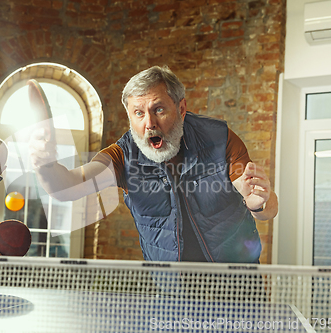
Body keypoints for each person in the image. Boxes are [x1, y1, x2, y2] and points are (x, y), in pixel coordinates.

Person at [30, 66, 278, 263]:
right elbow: (69, 186)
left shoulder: (218, 139)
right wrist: (46, 165)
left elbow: (267, 206)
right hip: (174, 295)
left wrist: (258, 204)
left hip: (238, 286)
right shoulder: (122, 157)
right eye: (138, 113)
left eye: (158, 109)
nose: (149, 123)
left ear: (181, 108)